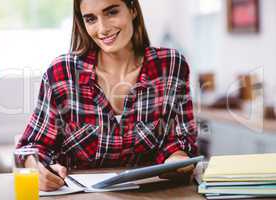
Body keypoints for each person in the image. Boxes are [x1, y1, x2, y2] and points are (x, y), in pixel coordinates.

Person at [17, 0, 198, 191]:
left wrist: (178, 157)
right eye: (91, 19)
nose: (102, 29)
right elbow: (32, 147)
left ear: (133, 10)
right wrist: (34, 167)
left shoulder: (170, 66)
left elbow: (181, 138)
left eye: (111, 12)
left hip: (150, 195)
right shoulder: (63, 73)